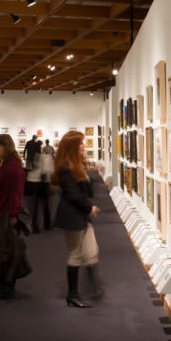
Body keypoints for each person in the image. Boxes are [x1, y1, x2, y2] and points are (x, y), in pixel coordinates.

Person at [52, 130, 102, 308]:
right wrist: (89, 207)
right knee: (75, 254)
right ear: (73, 146)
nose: (84, 145)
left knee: (91, 251)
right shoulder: (66, 167)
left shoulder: (77, 164)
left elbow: (84, 191)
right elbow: (73, 195)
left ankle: (94, 286)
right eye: (81, 143)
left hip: (81, 215)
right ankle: (72, 295)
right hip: (73, 216)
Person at [0, 133, 27, 300]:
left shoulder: (13, 167)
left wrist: (14, 215)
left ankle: (7, 288)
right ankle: (2, 284)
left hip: (7, 214)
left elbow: (15, 194)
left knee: (8, 252)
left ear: (7, 146)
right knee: (4, 250)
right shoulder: (4, 165)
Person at [25, 144, 53, 233]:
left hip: (31, 182)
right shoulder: (46, 157)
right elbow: (47, 171)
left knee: (33, 206)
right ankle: (47, 224)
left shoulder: (30, 157)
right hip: (42, 183)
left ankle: (34, 226)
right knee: (45, 205)